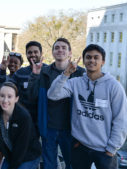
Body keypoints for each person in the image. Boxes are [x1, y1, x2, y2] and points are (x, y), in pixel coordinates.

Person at [47, 44, 127, 169]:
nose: (92, 60)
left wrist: (111, 150)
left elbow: (121, 121)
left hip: (105, 151)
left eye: (96, 57)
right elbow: (53, 94)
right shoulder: (76, 82)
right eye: (88, 57)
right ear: (84, 61)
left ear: (103, 61)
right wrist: (66, 73)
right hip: (80, 146)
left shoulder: (114, 87)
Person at [28, 38, 85, 169]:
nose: (60, 50)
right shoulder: (44, 72)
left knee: (72, 164)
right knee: (49, 165)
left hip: (71, 129)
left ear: (70, 52)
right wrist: (34, 75)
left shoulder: (80, 73)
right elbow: (32, 97)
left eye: (64, 48)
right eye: (57, 48)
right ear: (52, 52)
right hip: (49, 127)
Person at [0, 82, 41, 169]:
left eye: (9, 97)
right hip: (11, 154)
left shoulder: (24, 117)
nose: (5, 100)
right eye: (2, 96)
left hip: (28, 156)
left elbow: (21, 148)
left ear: (16, 99)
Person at [9, 41, 45, 127]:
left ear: (41, 53)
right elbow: (9, 89)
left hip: (44, 118)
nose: (33, 54)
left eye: (35, 52)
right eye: (29, 52)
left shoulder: (48, 70)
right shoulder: (20, 73)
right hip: (25, 118)